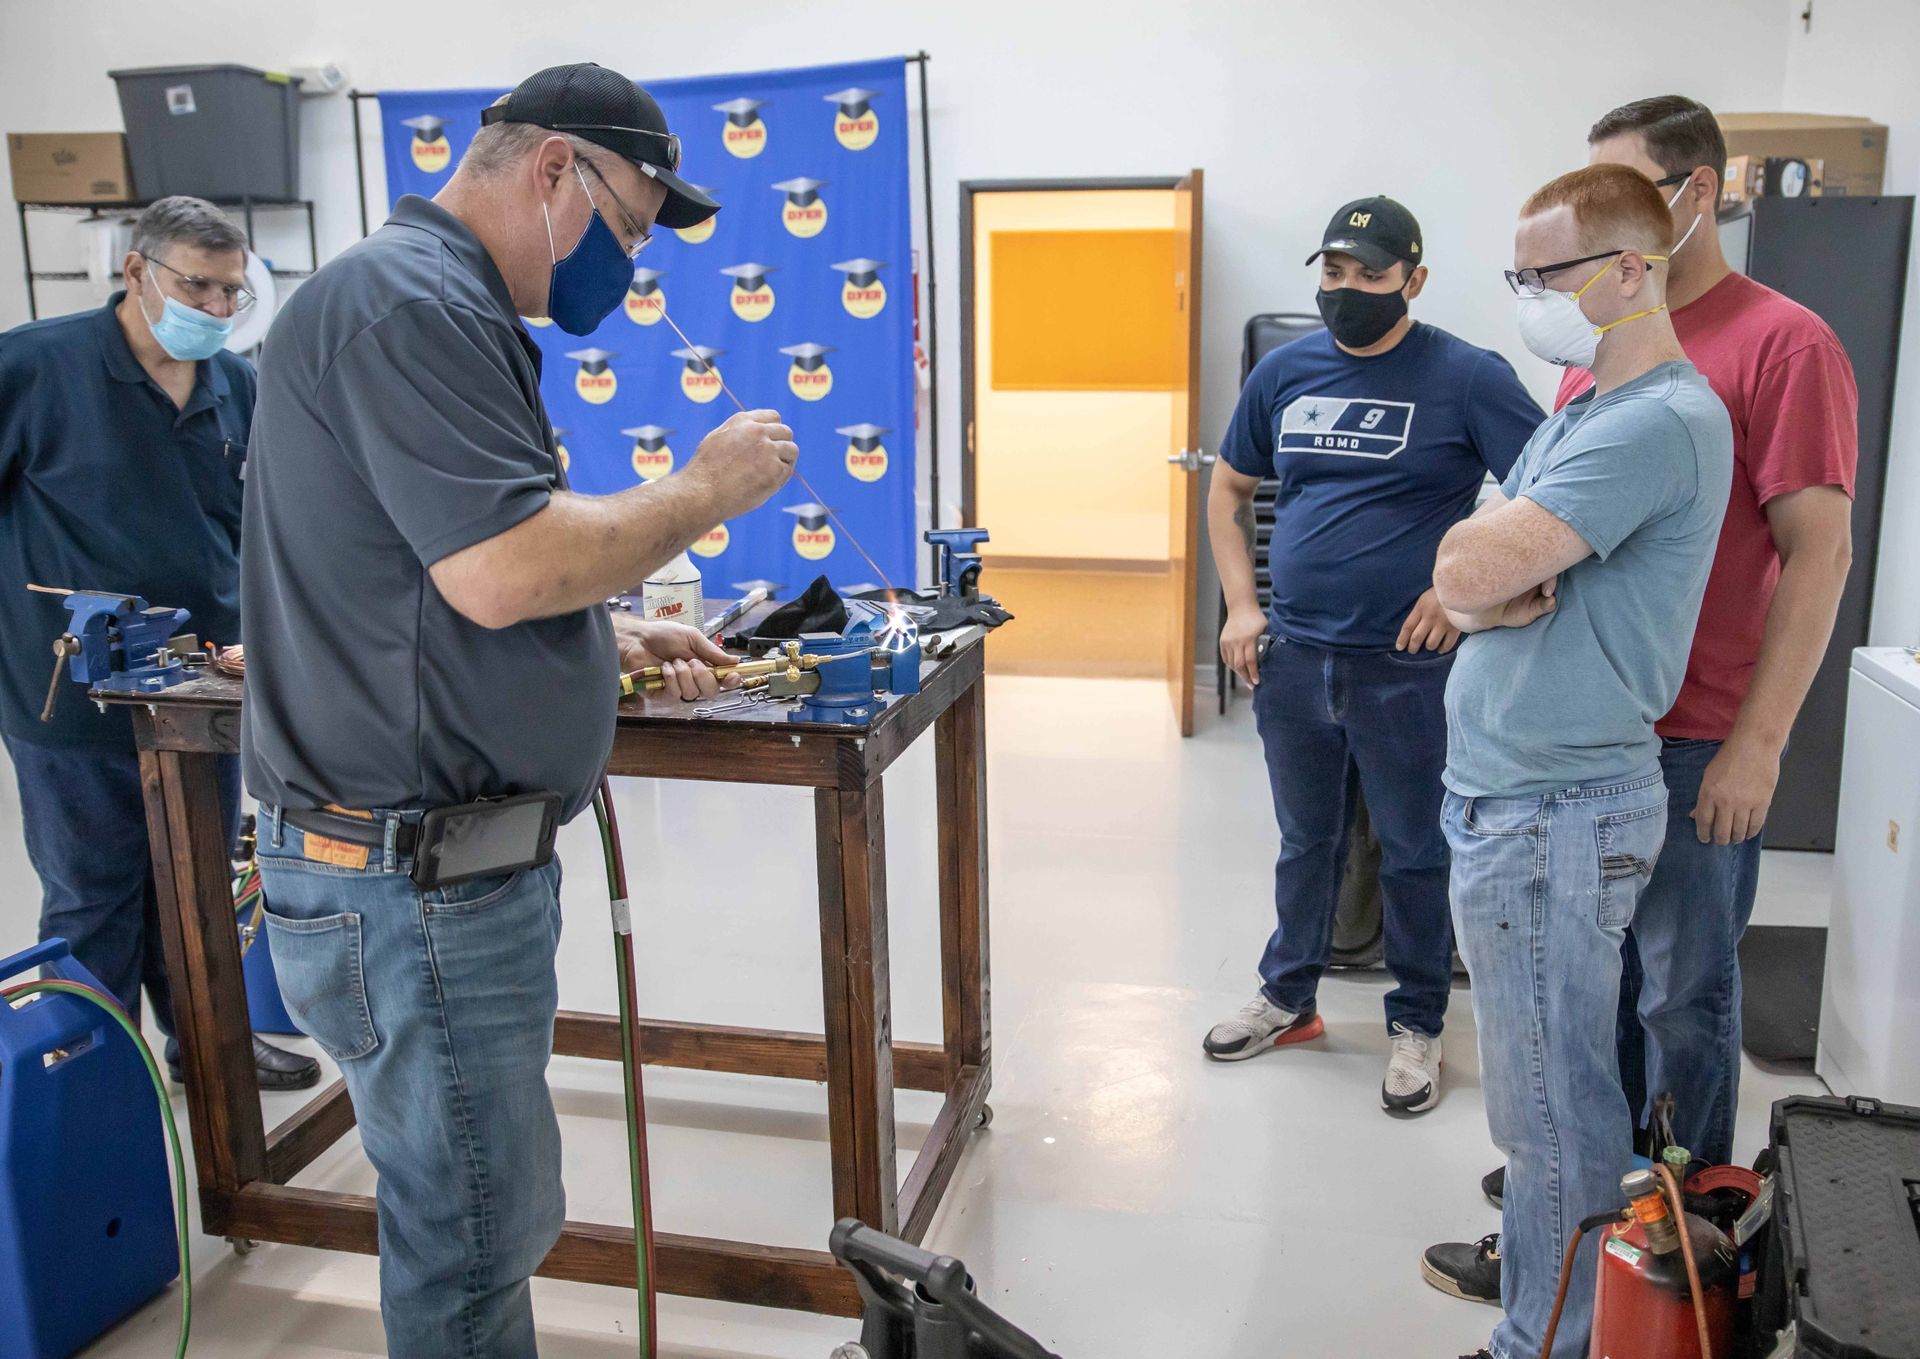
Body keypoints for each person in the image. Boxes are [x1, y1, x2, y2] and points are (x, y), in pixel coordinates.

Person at [240, 64, 797, 1356]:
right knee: (472, 1235)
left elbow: (421, 573)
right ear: (555, 170)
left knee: (477, 1219)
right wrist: (702, 490)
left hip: (433, 875)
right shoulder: (406, 305)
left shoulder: (437, 304)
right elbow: (501, 568)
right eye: (630, 228)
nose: (631, 265)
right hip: (411, 887)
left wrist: (604, 630)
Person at [1424, 95, 1857, 1309]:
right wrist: (1479, 590)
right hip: (1583, 733)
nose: (1536, 291)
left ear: (1683, 203)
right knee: (1580, 1031)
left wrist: (1758, 745)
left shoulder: (1778, 346)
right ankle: (1585, 1245)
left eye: (1623, 188)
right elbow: (1490, 544)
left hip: (1691, 727)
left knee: (1683, 999)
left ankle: (1682, 1256)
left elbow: (1818, 555)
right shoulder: (1591, 369)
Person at [1430, 163, 1732, 1359]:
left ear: (1628, 270)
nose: (1529, 300)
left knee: (1553, 1113)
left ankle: (1544, 1347)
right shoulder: (1580, 410)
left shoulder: (1659, 422)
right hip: (1513, 795)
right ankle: (1549, 1325)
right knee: (1543, 1104)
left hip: (1555, 810)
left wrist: (1480, 583)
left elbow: (1463, 571)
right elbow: (1465, 574)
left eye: (1544, 276)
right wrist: (1482, 583)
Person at [1203, 196, 1544, 1114]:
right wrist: (1242, 606)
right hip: (1294, 656)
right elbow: (1228, 489)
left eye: (1370, 273)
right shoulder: (1284, 372)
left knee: (1414, 848)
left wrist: (1464, 592)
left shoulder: (1466, 376)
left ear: (1413, 280)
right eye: (1333, 271)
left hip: (1407, 666)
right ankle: (1288, 996)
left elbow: (1547, 496)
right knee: (1305, 840)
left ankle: (1418, 1020)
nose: (1347, 288)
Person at [0, 196, 319, 1093]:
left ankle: (207, 1045)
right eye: (198, 287)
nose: (216, 309)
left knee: (199, 881)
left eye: (232, 292)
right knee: (95, 892)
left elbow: (251, 527)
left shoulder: (235, 384)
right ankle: (96, 1082)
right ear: (136, 271)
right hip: (70, 696)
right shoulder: (35, 366)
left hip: (201, 690)